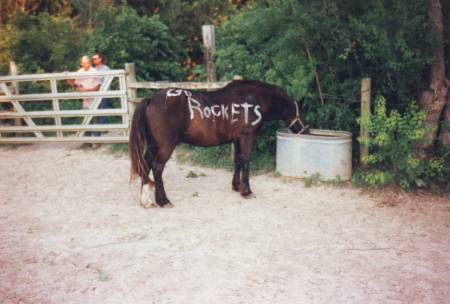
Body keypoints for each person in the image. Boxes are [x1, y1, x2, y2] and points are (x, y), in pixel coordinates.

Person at [68, 55, 101, 147]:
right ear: (81, 63)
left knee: (95, 120)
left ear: (90, 62)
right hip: (85, 99)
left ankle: (96, 141)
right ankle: (87, 141)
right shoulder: (80, 72)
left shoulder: (94, 72)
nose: (86, 64)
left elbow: (98, 86)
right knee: (86, 119)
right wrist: (71, 82)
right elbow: (75, 84)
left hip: (94, 98)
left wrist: (88, 91)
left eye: (87, 62)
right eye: (84, 63)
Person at [91, 53, 111, 125]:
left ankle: (104, 126)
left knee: (103, 109)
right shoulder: (93, 70)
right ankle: (97, 126)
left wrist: (104, 92)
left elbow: (108, 82)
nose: (93, 60)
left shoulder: (106, 69)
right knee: (95, 109)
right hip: (95, 93)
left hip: (104, 92)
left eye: (95, 59)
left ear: (100, 59)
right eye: (93, 59)